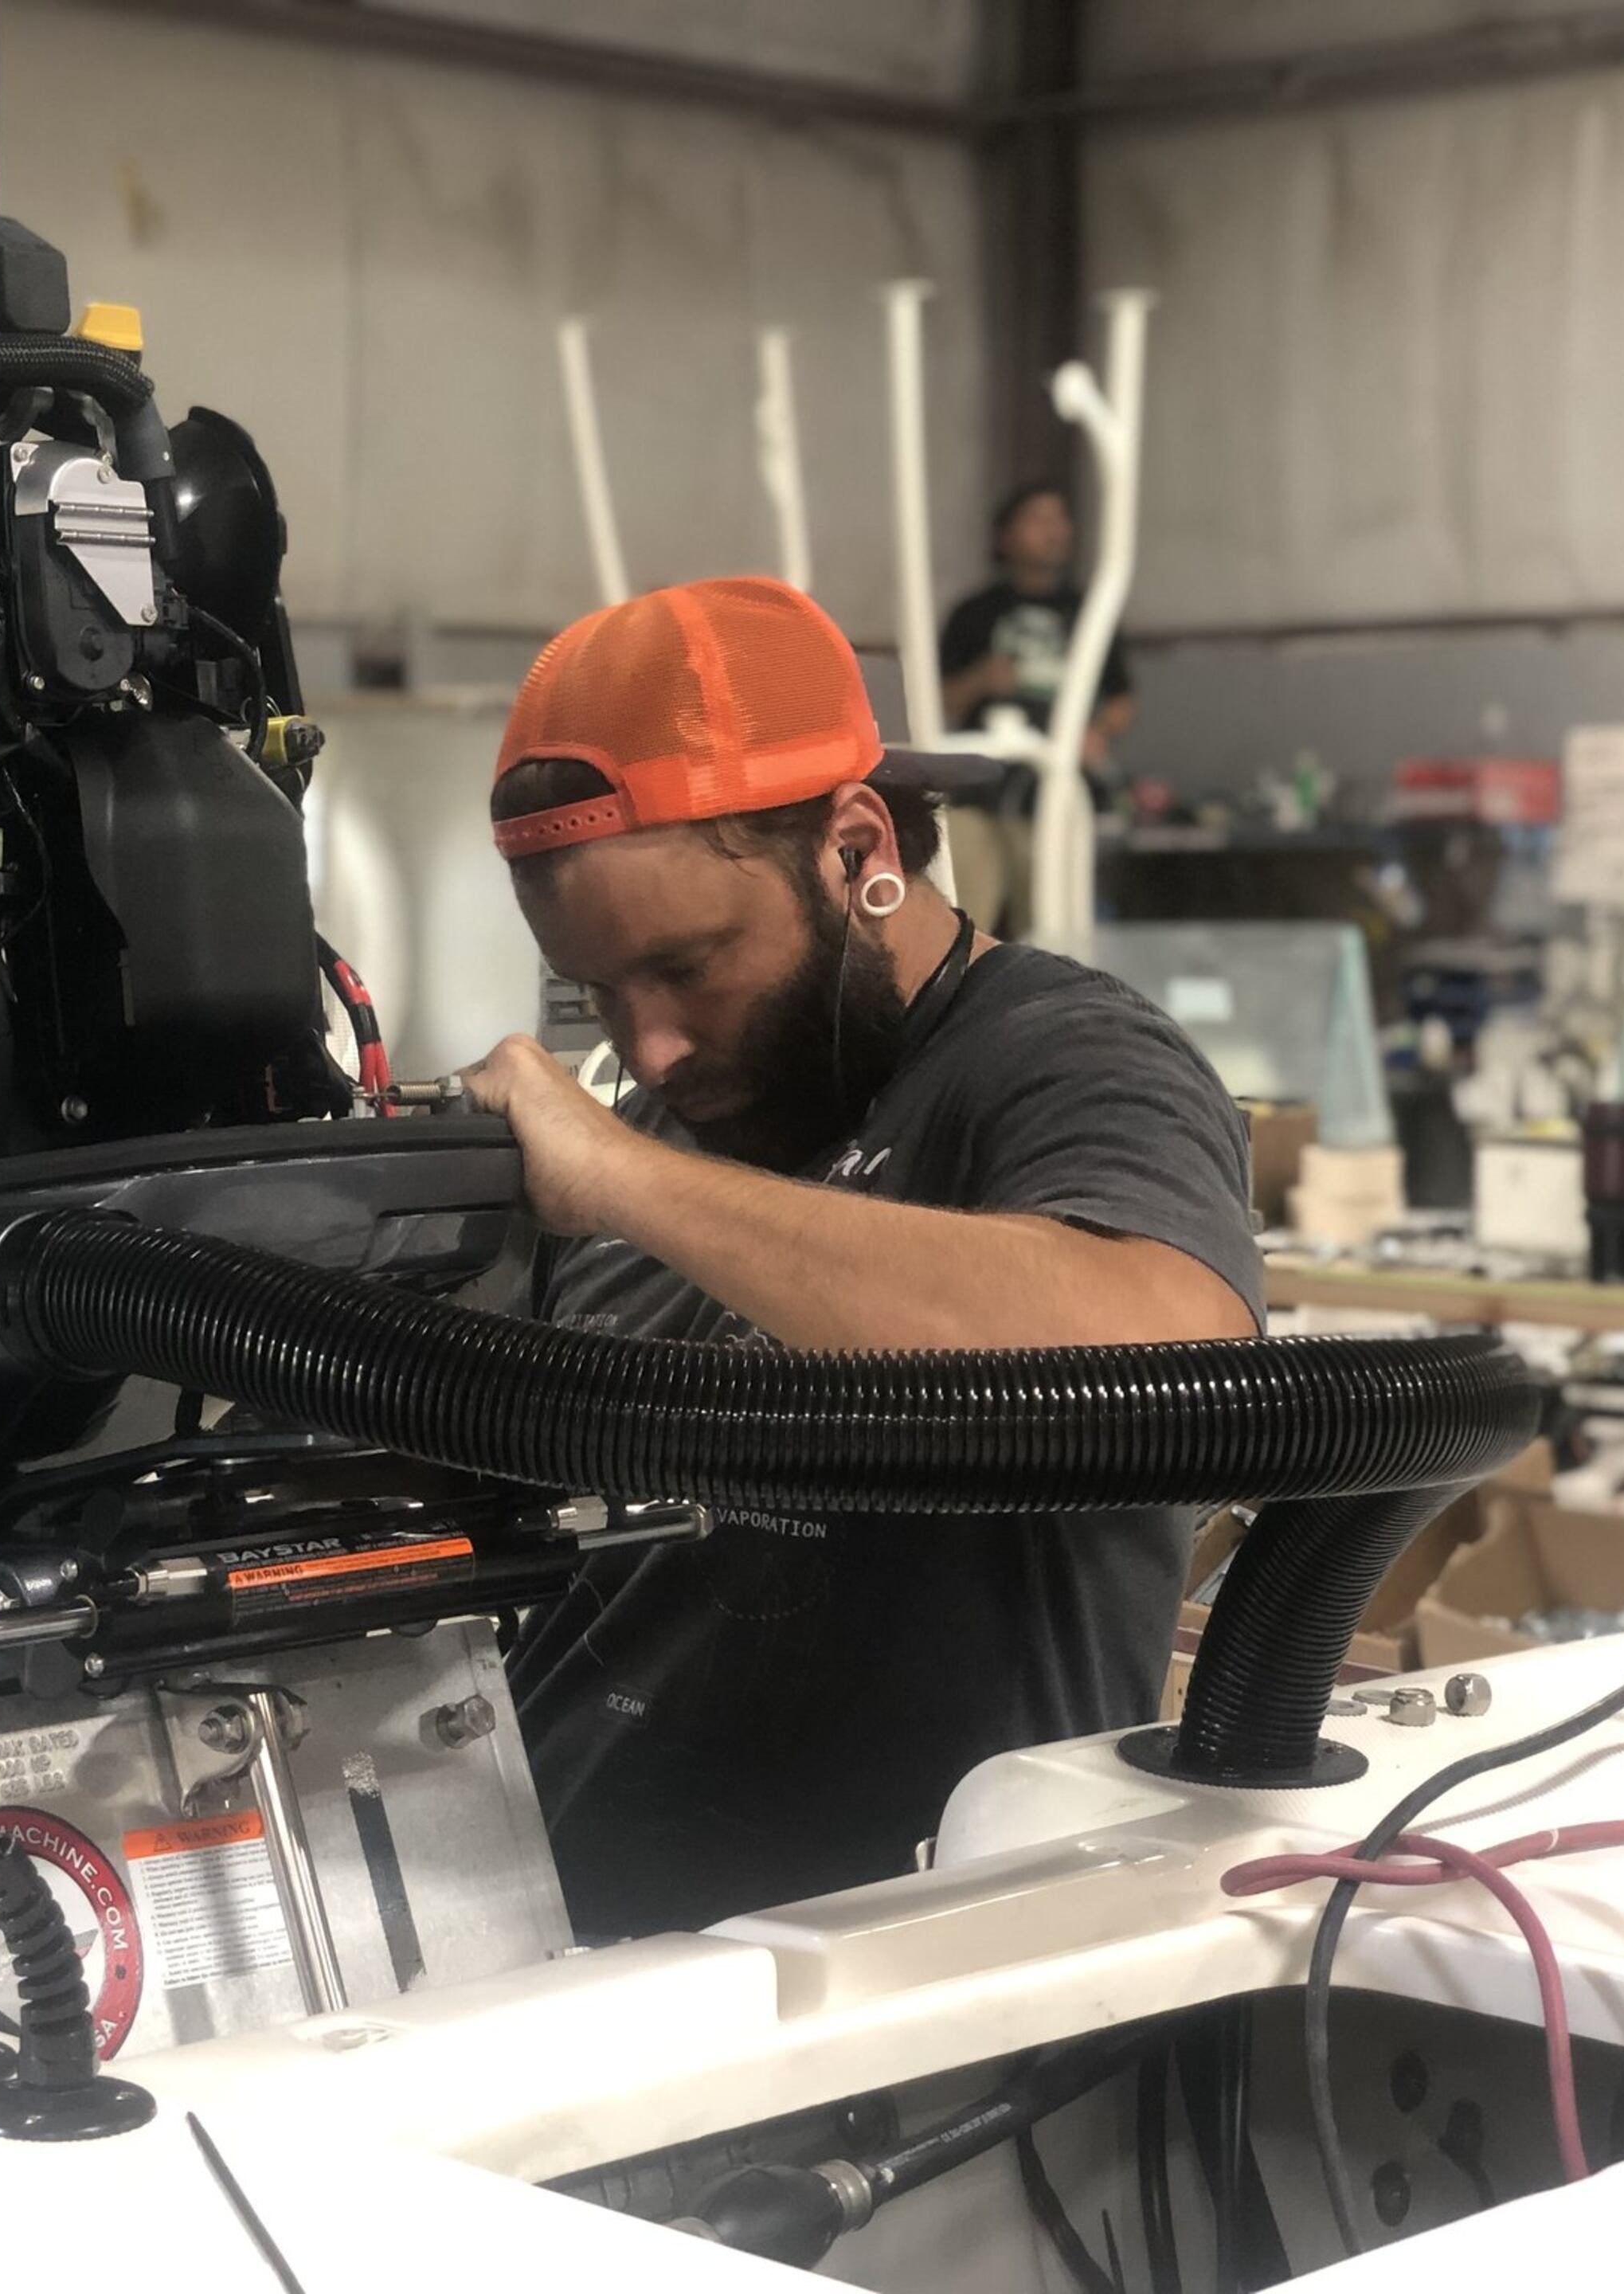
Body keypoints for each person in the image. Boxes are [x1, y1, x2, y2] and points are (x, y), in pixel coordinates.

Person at [459, 575, 1259, 1941]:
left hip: (910, 1989)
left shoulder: (1063, 1059)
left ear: (856, 847)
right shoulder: (673, 1124)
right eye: (598, 994)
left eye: (690, 967)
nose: (650, 1049)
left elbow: (1169, 1364)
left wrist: (626, 1181)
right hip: (561, 1959)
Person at [937, 484, 1134, 936]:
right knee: (966, 915)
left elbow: (1123, 697)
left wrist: (1097, 733)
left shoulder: (1089, 610)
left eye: (1059, 519)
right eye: (1038, 519)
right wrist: (980, 679)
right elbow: (936, 703)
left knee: (1051, 924)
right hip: (980, 796)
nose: (1053, 531)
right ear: (1006, 535)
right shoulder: (973, 613)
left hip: (1058, 793)